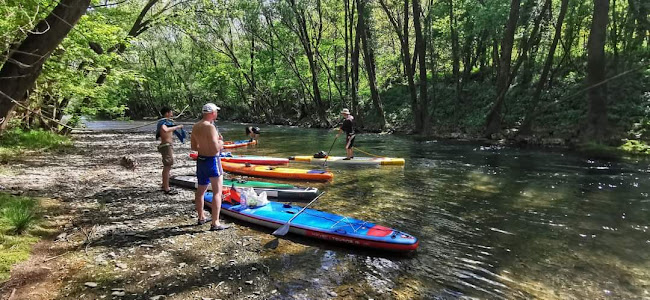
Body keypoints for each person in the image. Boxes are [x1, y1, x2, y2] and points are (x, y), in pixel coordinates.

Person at [191, 103, 230, 231]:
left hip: (201, 160)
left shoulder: (196, 126)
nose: (217, 114)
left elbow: (193, 147)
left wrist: (205, 145)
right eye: (216, 112)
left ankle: (201, 217)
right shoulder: (211, 127)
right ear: (212, 113)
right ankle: (215, 223)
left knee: (201, 190)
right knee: (217, 192)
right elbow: (215, 148)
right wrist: (221, 142)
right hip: (212, 161)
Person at [156, 107, 184, 195]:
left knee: (168, 166)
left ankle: (164, 185)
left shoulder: (167, 122)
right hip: (166, 146)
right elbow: (165, 130)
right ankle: (166, 188)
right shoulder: (163, 123)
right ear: (167, 113)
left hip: (168, 146)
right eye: (171, 112)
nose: (172, 113)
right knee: (167, 166)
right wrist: (177, 127)